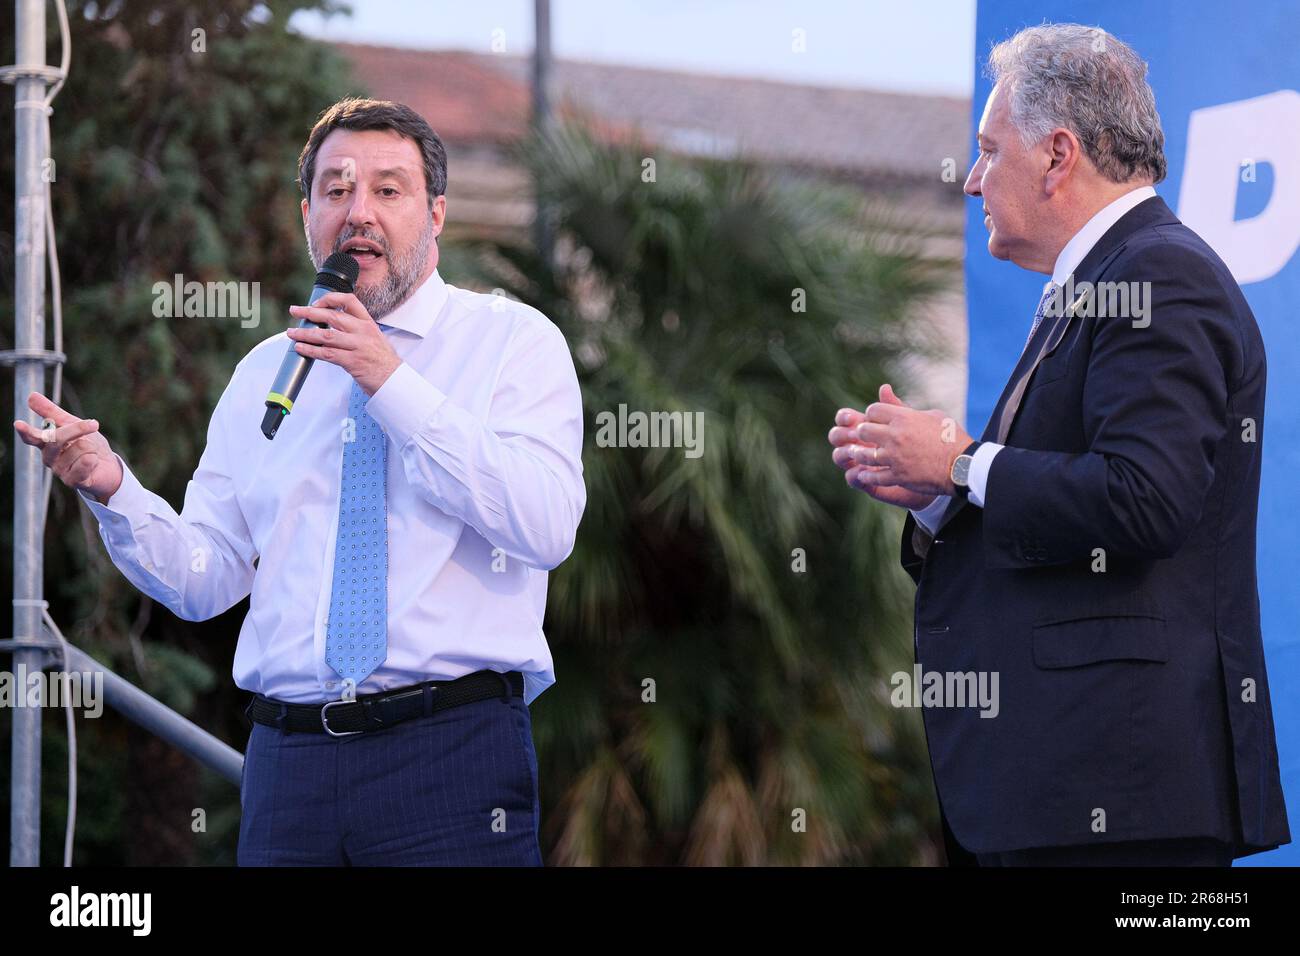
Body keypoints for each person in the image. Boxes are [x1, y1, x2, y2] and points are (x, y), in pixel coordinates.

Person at [14, 97, 586, 866]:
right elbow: (207, 578)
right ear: (307, 212)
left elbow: (545, 526)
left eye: (389, 190)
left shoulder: (512, 341)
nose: (361, 213)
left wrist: (389, 381)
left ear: (437, 212)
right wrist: (110, 487)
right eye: (337, 191)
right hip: (291, 767)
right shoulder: (263, 375)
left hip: (450, 756)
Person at [827, 24, 1289, 866]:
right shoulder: (1100, 282)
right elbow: (1078, 495)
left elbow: (1143, 501)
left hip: (1120, 794)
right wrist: (934, 489)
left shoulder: (1156, 275)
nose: (971, 182)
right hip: (1070, 789)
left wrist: (962, 462)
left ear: (1056, 155)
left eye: (987, 152)